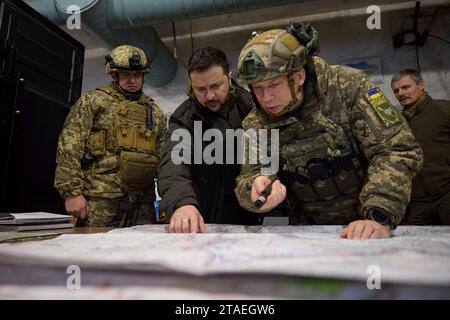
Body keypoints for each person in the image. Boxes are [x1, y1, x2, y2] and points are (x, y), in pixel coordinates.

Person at [234, 22, 423, 239]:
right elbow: (249, 176)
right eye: (257, 89)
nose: (266, 98)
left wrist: (378, 215)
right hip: (310, 234)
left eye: (274, 85)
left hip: (372, 223)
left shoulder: (348, 88)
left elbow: (396, 149)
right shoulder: (255, 123)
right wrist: (254, 190)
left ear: (299, 77)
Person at [55, 45, 167, 227]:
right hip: (101, 199)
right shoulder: (94, 101)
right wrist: (72, 193)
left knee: (140, 253)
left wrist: (169, 198)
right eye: (126, 75)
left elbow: (163, 158)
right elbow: (69, 147)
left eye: (137, 75)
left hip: (142, 203)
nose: (132, 80)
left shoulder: (154, 112)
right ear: (114, 75)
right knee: (93, 252)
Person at [158, 47, 260, 233]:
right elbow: (173, 167)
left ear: (229, 78)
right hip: (205, 219)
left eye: (216, 86)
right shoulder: (185, 119)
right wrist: (182, 203)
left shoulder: (252, 107)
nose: (210, 96)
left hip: (254, 217)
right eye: (200, 89)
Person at [391, 69, 450, 225]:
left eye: (405, 87)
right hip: (417, 202)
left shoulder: (443, 109)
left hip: (445, 196)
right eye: (396, 91)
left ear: (421, 85)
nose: (400, 93)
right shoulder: (398, 121)